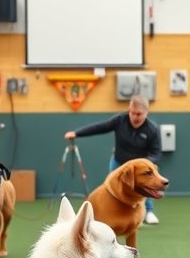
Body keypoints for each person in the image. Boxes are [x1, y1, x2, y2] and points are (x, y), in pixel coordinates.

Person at [64, 95, 162, 223]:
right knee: (111, 187)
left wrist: (145, 163)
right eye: (132, 113)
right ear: (129, 110)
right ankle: (112, 211)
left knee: (146, 185)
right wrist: (77, 133)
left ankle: (149, 212)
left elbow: (156, 153)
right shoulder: (120, 120)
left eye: (139, 114)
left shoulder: (152, 129)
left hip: (139, 169)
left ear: (146, 113)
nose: (134, 117)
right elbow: (100, 127)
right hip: (118, 162)